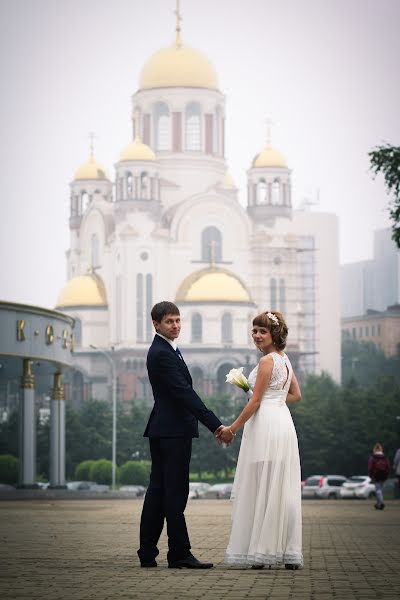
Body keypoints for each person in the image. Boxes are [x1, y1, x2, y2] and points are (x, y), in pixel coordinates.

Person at [137, 301, 224, 569]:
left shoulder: (168, 349)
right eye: (169, 322)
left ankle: (148, 552)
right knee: (174, 493)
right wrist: (215, 425)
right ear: (156, 324)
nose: (175, 326)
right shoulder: (163, 353)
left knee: (159, 491)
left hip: (165, 429)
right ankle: (178, 553)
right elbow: (184, 393)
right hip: (172, 431)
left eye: (177, 321)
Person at [217, 311, 303, 569]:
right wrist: (273, 400)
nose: (256, 335)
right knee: (279, 485)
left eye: (262, 331)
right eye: (254, 331)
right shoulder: (285, 361)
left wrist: (232, 427)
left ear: (274, 334)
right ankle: (287, 553)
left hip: (266, 424)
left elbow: (255, 401)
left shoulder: (267, 361)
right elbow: (296, 395)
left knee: (263, 484)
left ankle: (262, 553)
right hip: (283, 422)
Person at [368, 443, 391, 510]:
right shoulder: (385, 457)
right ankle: (378, 505)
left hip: (376, 475)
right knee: (379, 489)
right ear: (381, 449)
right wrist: (387, 475)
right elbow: (388, 467)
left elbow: (370, 467)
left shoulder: (372, 457)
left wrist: (370, 476)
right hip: (383, 475)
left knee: (377, 490)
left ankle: (381, 502)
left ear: (374, 449)